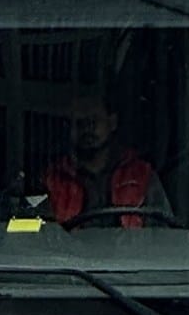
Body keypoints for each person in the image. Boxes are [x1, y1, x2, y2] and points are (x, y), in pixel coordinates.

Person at [42, 92, 171, 229]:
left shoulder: (142, 175)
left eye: (93, 121)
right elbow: (42, 232)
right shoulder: (52, 180)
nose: (86, 129)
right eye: (79, 123)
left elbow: (162, 231)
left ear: (112, 123)